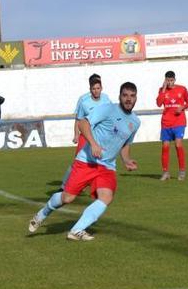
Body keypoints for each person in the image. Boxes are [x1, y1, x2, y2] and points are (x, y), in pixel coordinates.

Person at [28, 82, 141, 241]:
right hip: (87, 161)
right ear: (119, 96)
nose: (129, 99)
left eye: (132, 96)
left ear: (136, 97)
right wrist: (94, 144)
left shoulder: (135, 122)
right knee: (67, 198)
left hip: (107, 166)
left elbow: (125, 144)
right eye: (125, 95)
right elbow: (83, 123)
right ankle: (43, 213)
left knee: (106, 197)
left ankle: (77, 229)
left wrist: (127, 160)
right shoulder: (108, 109)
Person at [61, 74, 111, 187]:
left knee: (100, 161)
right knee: (78, 161)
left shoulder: (106, 99)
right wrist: (76, 134)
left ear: (101, 88)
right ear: (90, 89)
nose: (96, 91)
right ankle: (64, 185)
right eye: (94, 88)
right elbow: (78, 119)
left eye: (98, 88)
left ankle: (94, 185)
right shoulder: (84, 101)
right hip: (86, 135)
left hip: (100, 136)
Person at [156, 70, 188, 181]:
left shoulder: (182, 89)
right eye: (168, 80)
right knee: (165, 147)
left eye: (171, 80)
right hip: (166, 122)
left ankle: (182, 171)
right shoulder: (162, 90)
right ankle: (165, 172)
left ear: (175, 80)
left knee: (178, 145)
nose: (170, 82)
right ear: (165, 80)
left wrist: (182, 107)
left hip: (179, 121)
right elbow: (158, 103)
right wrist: (164, 89)